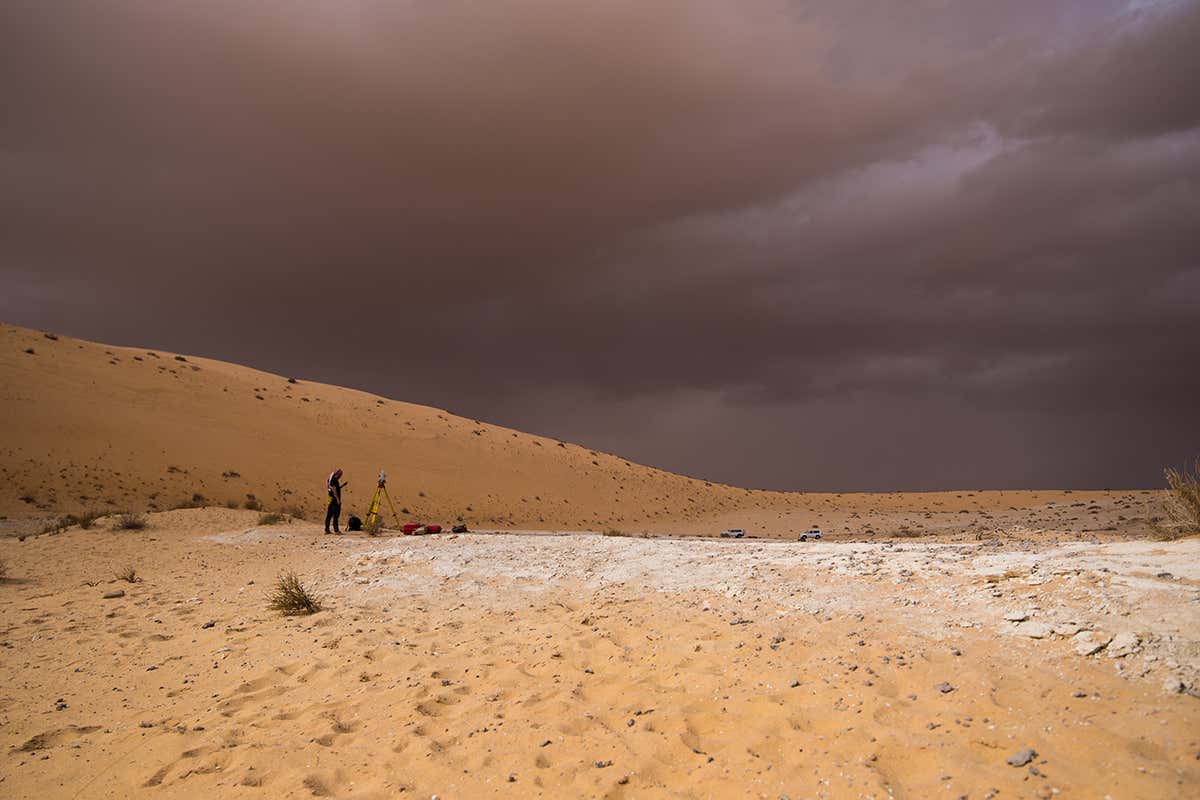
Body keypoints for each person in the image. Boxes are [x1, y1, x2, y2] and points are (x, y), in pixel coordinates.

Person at [325, 468, 346, 534]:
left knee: (329, 515)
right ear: (338, 474)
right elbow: (334, 490)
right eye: (340, 475)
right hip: (334, 500)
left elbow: (335, 488)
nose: (340, 476)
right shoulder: (334, 480)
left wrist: (342, 486)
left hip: (331, 499)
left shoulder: (332, 479)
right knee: (336, 515)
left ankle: (327, 529)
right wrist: (338, 500)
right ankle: (336, 530)